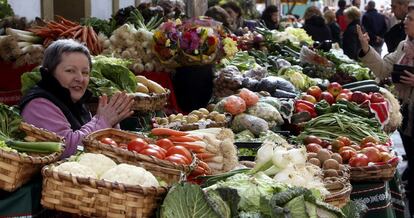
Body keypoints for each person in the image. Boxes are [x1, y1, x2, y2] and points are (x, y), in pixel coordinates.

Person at [20, 39, 134, 158]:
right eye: (70, 71)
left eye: (85, 73)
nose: (80, 78)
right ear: (49, 73)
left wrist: (112, 123)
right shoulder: (39, 104)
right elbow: (66, 149)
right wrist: (103, 121)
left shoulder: (74, 100)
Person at [357, 5, 414, 215]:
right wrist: (365, 48)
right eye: (406, 17)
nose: (405, 22)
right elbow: (382, 68)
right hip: (406, 114)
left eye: (410, 19)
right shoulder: (403, 46)